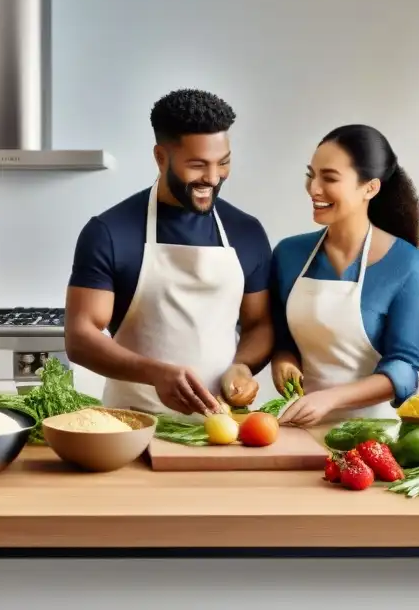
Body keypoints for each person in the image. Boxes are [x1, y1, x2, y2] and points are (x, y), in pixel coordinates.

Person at [65, 88, 274, 416]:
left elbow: (259, 324)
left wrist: (243, 366)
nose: (213, 177)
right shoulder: (109, 232)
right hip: (133, 427)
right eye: (197, 165)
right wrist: (155, 374)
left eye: (224, 163)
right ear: (161, 157)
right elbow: (80, 337)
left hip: (223, 430)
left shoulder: (246, 232)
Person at [269, 125, 419, 427]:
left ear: (370, 188)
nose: (314, 188)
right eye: (311, 174)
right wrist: (284, 363)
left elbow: (404, 370)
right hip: (296, 428)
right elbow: (282, 341)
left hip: (375, 437)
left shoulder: (409, 266)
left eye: (329, 178)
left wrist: (329, 398)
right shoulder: (289, 255)